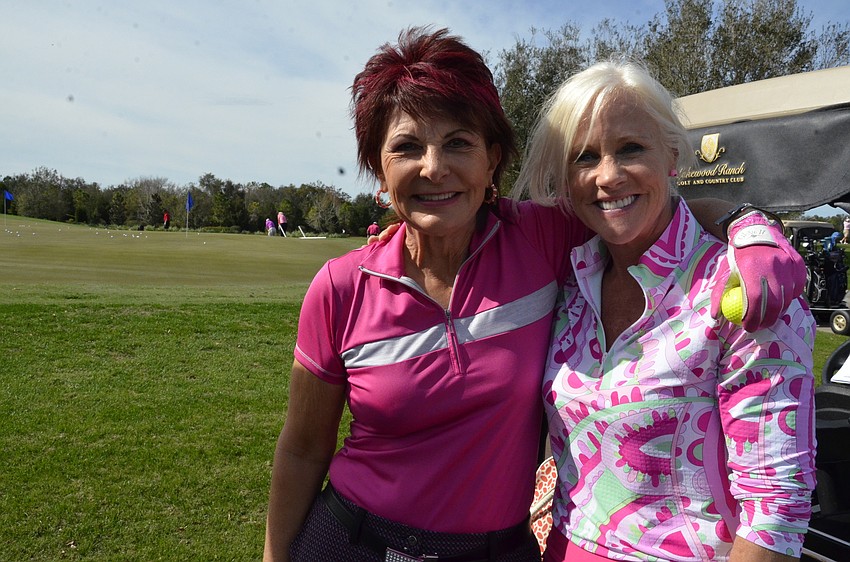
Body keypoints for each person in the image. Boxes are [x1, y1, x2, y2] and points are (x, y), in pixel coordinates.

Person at [263, 28, 804, 562]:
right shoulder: (340, 287)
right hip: (355, 541)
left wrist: (748, 227)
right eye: (406, 147)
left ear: (492, 159)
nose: (433, 167)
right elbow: (304, 448)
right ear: (379, 170)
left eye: (458, 142)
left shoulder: (540, 239)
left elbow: (638, 203)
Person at [514, 59, 816, 561]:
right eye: (584, 157)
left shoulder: (739, 290)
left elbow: (775, 514)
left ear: (672, 154)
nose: (608, 176)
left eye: (631, 148)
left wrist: (748, 223)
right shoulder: (569, 282)